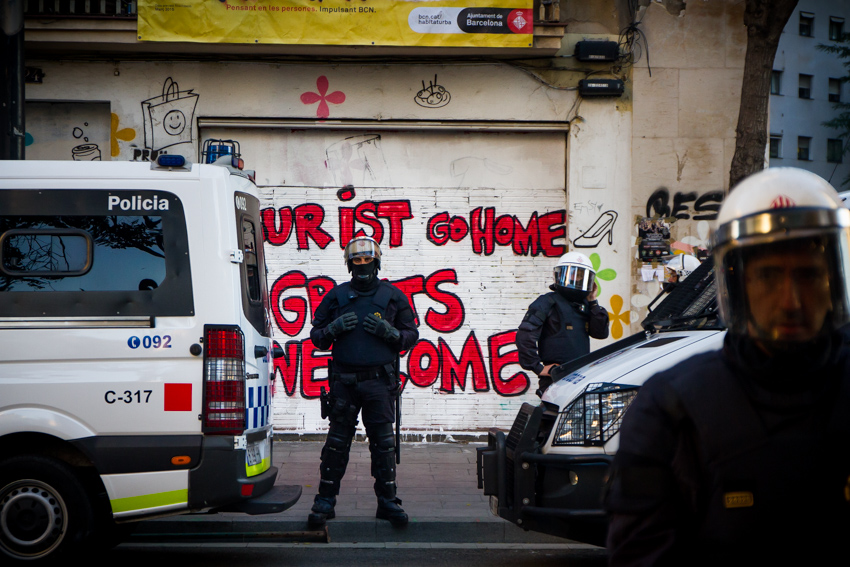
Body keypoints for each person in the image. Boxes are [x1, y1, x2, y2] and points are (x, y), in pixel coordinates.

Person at [604, 167, 850, 564]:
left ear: (833, 282)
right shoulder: (670, 408)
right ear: (738, 285)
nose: (791, 300)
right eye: (768, 276)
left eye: (807, 276)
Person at [307, 236, 419, 528]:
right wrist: (333, 328)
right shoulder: (336, 296)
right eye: (357, 261)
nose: (362, 266)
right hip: (344, 383)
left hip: (379, 383)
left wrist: (390, 333)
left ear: (377, 262)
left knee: (383, 445)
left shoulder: (394, 296)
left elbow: (411, 335)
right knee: (336, 444)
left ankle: (388, 501)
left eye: (367, 260)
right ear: (349, 264)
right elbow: (316, 336)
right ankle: (325, 500)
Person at [516, 252, 610, 395]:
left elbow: (601, 333)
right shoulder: (546, 302)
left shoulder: (586, 305)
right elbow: (525, 335)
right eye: (571, 274)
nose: (575, 279)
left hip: (582, 375)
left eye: (580, 276)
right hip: (556, 377)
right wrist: (538, 368)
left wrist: (593, 302)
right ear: (560, 275)